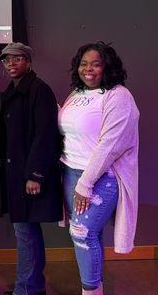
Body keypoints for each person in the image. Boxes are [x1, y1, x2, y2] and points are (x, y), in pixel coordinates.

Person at [59, 42, 139, 295]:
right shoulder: (77, 94)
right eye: (83, 64)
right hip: (70, 172)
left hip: (101, 177)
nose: (88, 69)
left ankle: (90, 291)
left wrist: (85, 184)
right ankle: (96, 289)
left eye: (96, 64)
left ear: (107, 67)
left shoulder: (119, 96)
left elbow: (111, 145)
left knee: (82, 233)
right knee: (90, 235)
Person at [0, 43, 61, 295]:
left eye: (17, 59)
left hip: (28, 176)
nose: (11, 63)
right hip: (15, 175)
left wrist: (35, 174)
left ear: (28, 61)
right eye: (7, 60)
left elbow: (45, 135)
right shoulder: (12, 91)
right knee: (26, 231)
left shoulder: (39, 90)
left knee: (26, 233)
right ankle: (30, 287)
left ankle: (26, 289)